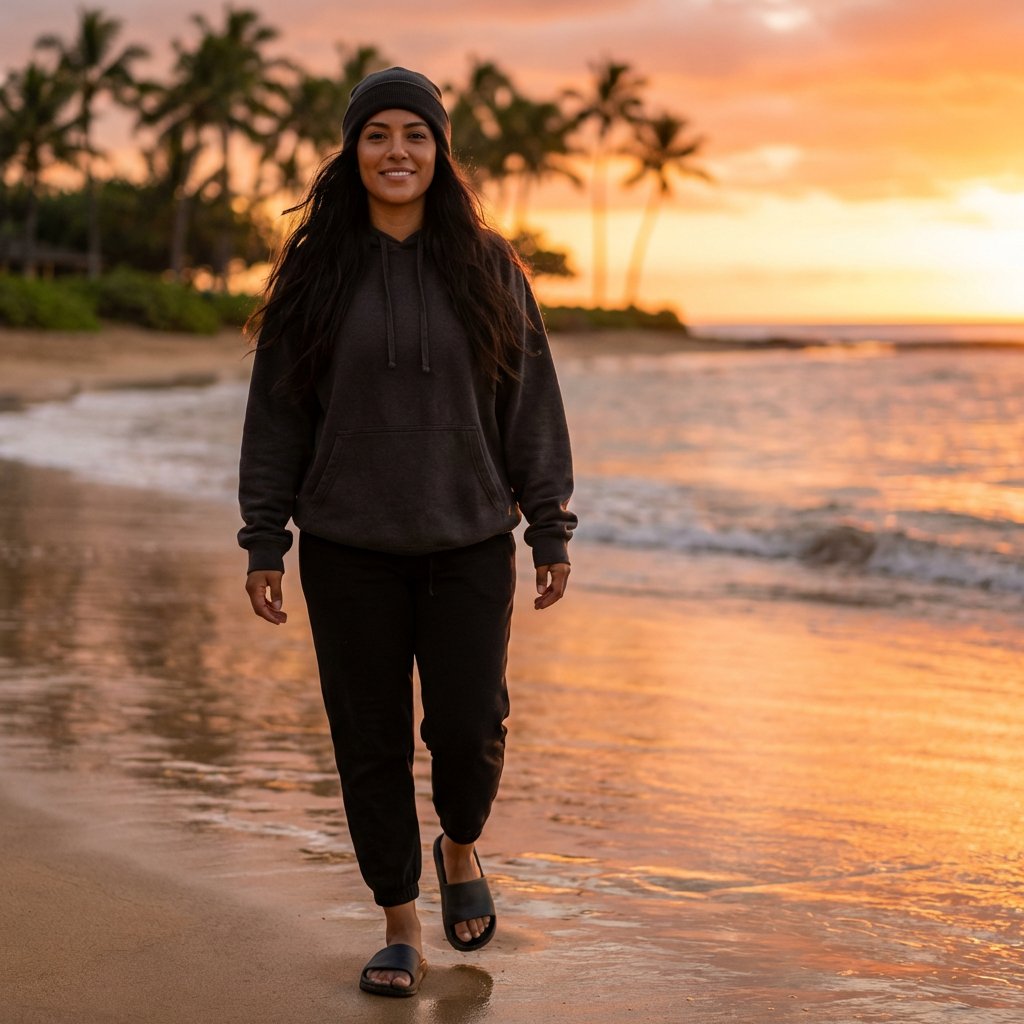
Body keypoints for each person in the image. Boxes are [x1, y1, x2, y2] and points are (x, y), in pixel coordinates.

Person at [237, 67, 576, 998]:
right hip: (347, 549)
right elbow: (276, 416)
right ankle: (398, 923)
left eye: (415, 135)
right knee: (370, 741)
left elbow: (529, 401)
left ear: (440, 152)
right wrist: (264, 538)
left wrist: (548, 523)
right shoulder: (316, 269)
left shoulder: (487, 264)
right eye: (377, 134)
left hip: (468, 540)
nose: (396, 151)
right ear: (353, 151)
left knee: (470, 730)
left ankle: (458, 843)